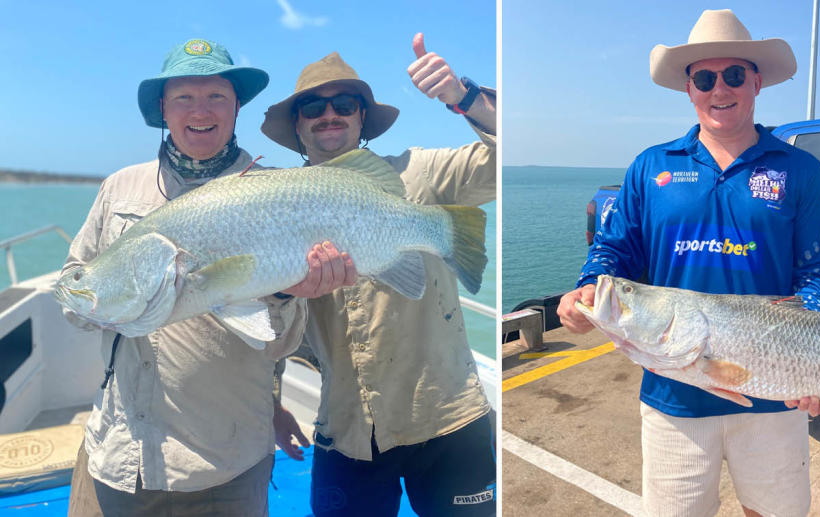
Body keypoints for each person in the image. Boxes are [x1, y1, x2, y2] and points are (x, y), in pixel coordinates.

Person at [556, 10, 820, 517]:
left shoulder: (800, 169)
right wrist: (584, 292)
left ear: (756, 81)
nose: (720, 89)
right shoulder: (651, 167)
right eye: (705, 78)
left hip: (775, 396)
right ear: (689, 89)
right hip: (674, 397)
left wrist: (814, 360)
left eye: (733, 75)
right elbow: (614, 252)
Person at [63, 38, 347, 517]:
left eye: (217, 96)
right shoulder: (119, 187)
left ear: (237, 107)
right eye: (184, 97)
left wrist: (280, 291)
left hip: (224, 463)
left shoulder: (278, 193)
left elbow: (279, 343)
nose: (201, 110)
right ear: (163, 109)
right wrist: (110, 305)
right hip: (116, 453)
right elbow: (75, 283)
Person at [263, 33, 496, 516]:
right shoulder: (273, 201)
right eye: (312, 107)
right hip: (346, 429)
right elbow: (258, 308)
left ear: (362, 117)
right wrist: (272, 402)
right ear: (298, 125)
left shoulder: (421, 173)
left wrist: (464, 98)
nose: (330, 113)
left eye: (345, 103)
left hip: (448, 417)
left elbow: (506, 157)